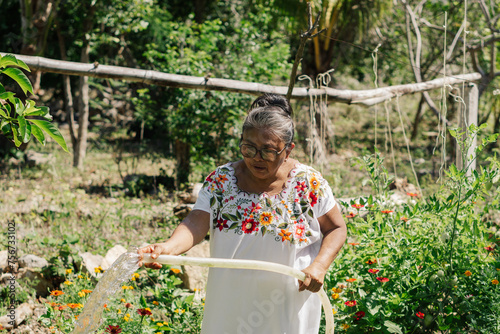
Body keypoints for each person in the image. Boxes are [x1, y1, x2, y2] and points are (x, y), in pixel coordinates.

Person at [138, 93, 347, 334]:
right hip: (231, 301)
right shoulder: (221, 181)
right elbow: (196, 223)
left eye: (268, 151)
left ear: (287, 150)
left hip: (287, 302)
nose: (256, 158)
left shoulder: (308, 183)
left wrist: (319, 266)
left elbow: (336, 228)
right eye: (249, 148)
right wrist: (168, 248)